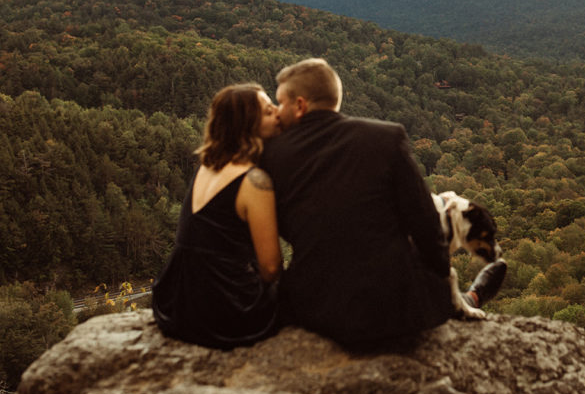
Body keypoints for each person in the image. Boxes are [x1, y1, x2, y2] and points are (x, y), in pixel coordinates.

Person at [260, 58, 504, 346]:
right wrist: (437, 282)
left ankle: (469, 296)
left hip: (314, 310)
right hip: (393, 313)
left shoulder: (271, 155)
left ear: (299, 105)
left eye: (280, 103)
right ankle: (469, 297)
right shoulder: (385, 137)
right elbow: (427, 227)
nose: (277, 112)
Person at [152, 83, 283, 349]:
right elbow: (270, 268)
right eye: (269, 111)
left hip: (179, 302)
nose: (279, 113)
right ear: (248, 125)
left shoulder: (208, 166)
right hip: (227, 307)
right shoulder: (254, 180)